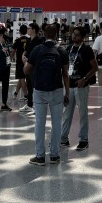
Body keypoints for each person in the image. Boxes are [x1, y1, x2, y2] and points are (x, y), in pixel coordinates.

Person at [25, 24, 69, 166]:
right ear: (56, 34)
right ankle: (55, 155)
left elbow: (26, 71)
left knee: (40, 123)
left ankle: (40, 156)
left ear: (43, 34)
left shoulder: (37, 50)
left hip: (39, 91)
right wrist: (67, 93)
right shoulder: (61, 51)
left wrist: (25, 61)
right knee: (56, 124)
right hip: (57, 90)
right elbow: (65, 74)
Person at [60, 26, 97, 151]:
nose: (73, 36)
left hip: (81, 85)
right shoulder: (69, 48)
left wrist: (85, 79)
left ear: (82, 37)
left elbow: (94, 67)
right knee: (66, 113)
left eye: (76, 35)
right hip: (69, 85)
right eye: (73, 34)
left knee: (82, 113)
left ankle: (83, 140)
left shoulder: (86, 50)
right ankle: (63, 138)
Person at [20, 23, 44, 114]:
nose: (27, 30)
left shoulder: (39, 40)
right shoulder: (29, 40)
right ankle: (29, 105)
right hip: (28, 65)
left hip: (35, 66)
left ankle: (38, 106)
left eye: (29, 28)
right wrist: (23, 55)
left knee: (36, 86)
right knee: (29, 85)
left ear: (33, 30)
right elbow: (26, 50)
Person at [11, 24, 30, 100]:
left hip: (19, 62)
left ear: (19, 31)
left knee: (21, 77)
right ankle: (16, 93)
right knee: (21, 78)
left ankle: (26, 95)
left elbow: (13, 51)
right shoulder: (29, 40)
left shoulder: (17, 41)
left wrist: (10, 59)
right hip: (27, 62)